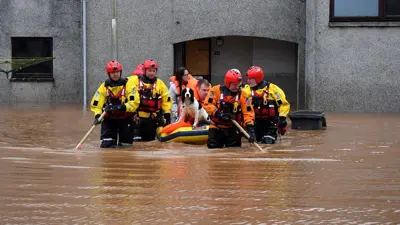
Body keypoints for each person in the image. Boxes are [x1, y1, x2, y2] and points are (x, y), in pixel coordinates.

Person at [90, 60, 140, 148]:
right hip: (109, 121)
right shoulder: (104, 86)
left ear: (120, 72)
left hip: (125, 120)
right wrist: (97, 116)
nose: (115, 74)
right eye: (113, 73)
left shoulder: (129, 84)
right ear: (109, 74)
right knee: (107, 147)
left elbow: (134, 102)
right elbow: (96, 104)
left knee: (126, 147)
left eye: (117, 72)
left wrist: (123, 107)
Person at [203, 68, 256, 149]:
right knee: (213, 155)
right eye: (234, 84)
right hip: (216, 128)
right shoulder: (216, 90)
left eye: (238, 84)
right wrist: (220, 114)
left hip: (233, 129)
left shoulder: (243, 95)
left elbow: (248, 113)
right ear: (228, 83)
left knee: (234, 154)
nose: (237, 86)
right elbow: (207, 105)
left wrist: (251, 130)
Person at [245, 66, 290, 144]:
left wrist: (282, 118)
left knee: (267, 143)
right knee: (252, 142)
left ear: (258, 79)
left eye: (251, 79)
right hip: (254, 125)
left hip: (270, 125)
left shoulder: (273, 90)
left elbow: (283, 104)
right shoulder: (246, 91)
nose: (248, 81)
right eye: (248, 78)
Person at [129, 59, 172, 141]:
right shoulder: (134, 80)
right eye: (149, 71)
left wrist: (167, 115)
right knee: (136, 143)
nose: (152, 73)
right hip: (136, 119)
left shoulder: (160, 84)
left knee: (150, 142)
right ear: (144, 70)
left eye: (154, 71)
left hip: (152, 119)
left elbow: (166, 100)